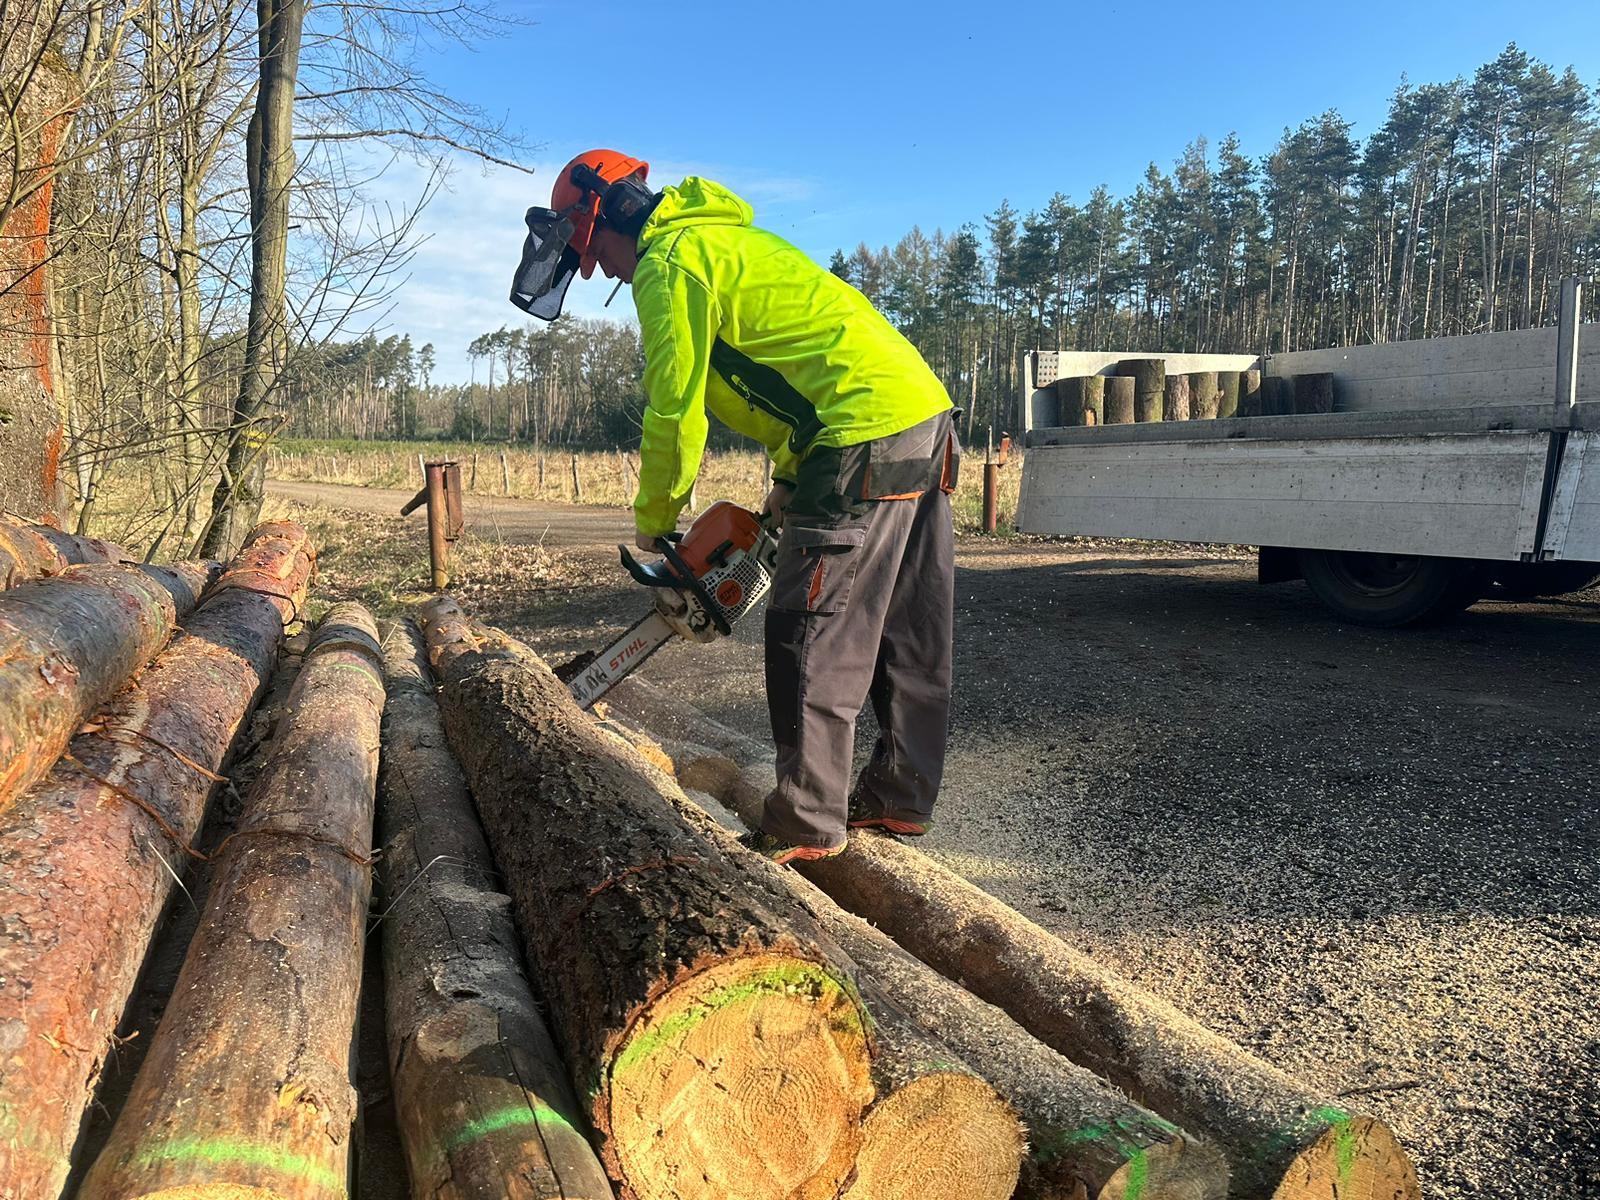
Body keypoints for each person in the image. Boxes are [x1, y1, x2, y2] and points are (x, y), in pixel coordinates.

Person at [518, 148, 960, 864]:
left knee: (808, 628)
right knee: (908, 626)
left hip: (858, 430)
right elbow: (792, 371)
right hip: (920, 415)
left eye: (595, 253)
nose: (602, 270)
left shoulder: (670, 265)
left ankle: (806, 821)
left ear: (607, 218)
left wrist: (659, 518)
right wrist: (789, 481)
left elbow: (676, 407)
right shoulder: (721, 240)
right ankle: (901, 797)